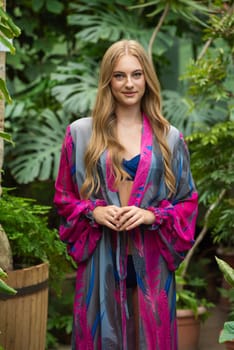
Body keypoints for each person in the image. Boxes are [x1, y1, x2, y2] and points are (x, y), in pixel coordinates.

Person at [54, 39, 198, 350]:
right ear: (108, 80)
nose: (129, 84)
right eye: (119, 75)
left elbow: (187, 200)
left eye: (136, 74)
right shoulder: (80, 134)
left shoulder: (169, 137)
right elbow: (64, 199)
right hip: (101, 255)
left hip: (151, 257)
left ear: (147, 78)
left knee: (149, 338)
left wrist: (151, 215)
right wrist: (94, 212)